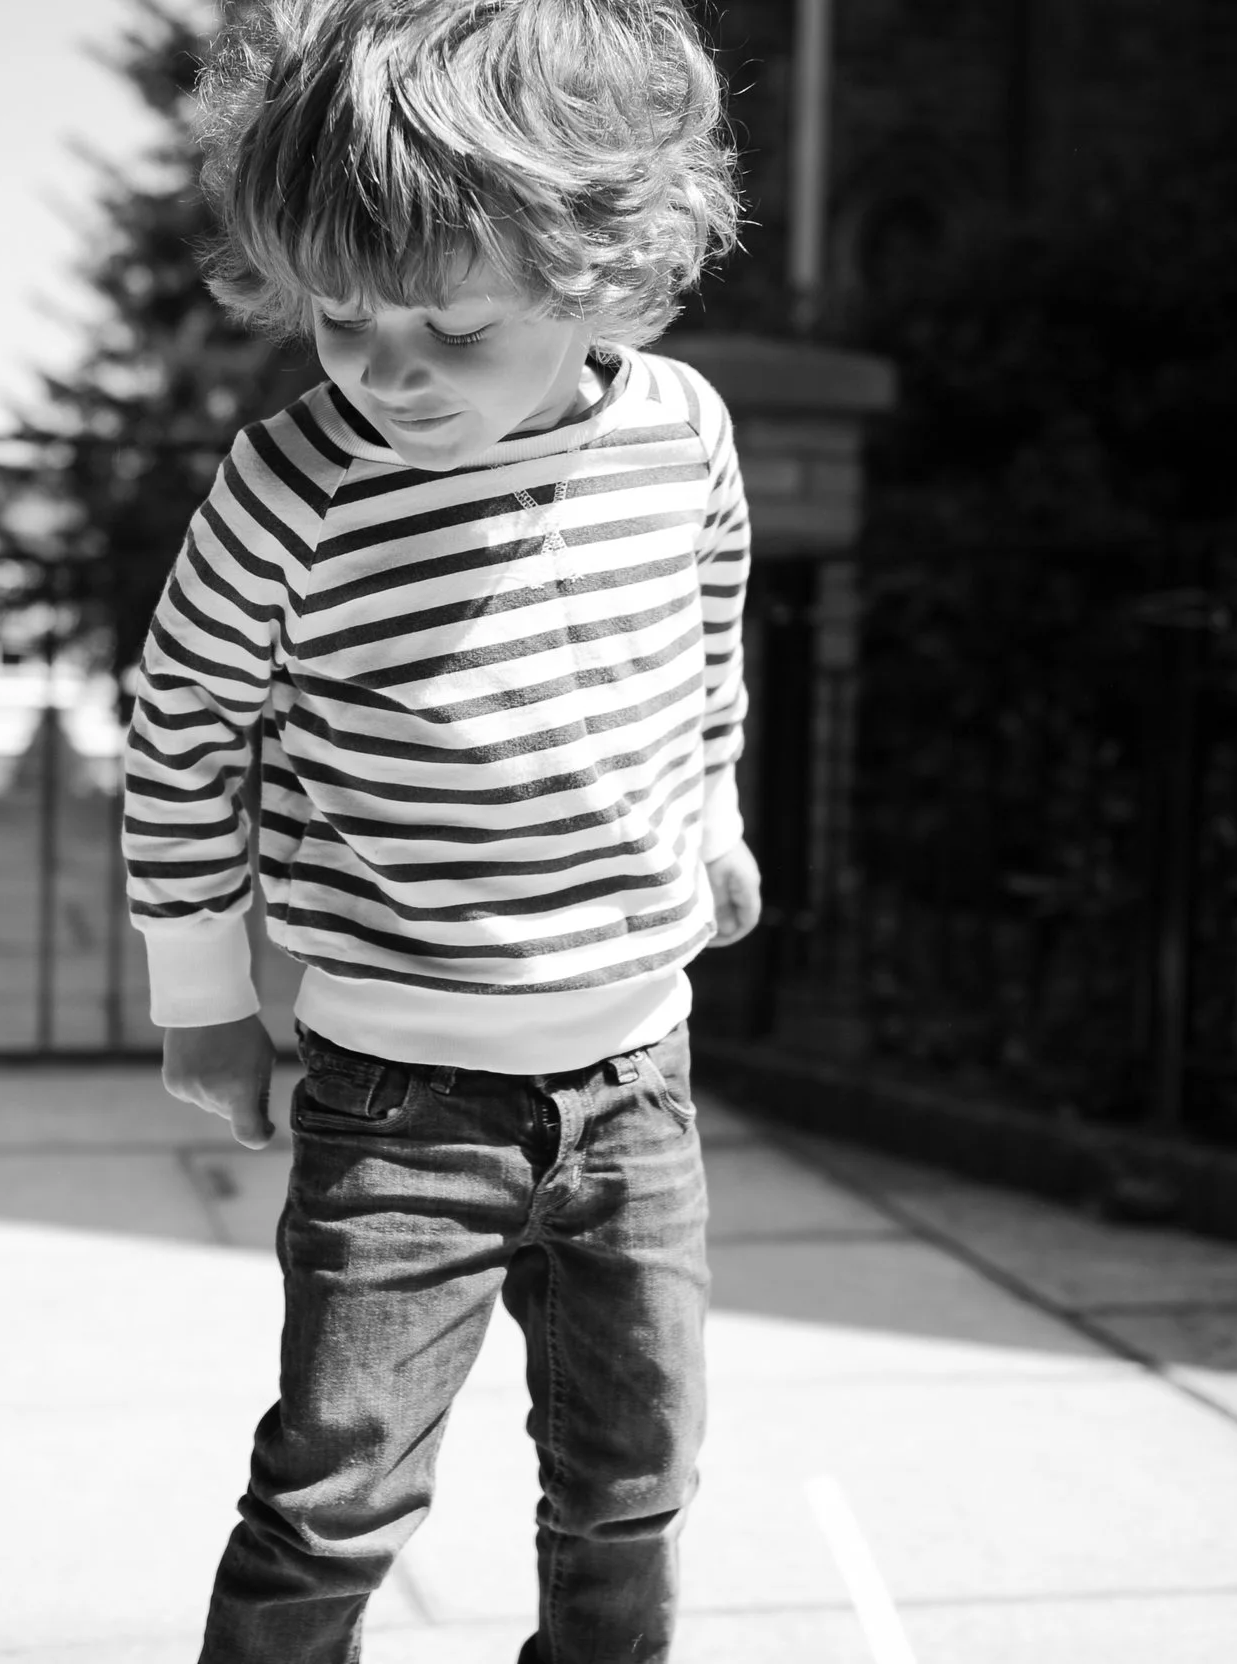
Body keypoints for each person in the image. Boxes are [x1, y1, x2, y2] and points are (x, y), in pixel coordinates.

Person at [122, 0, 757, 1656]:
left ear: (601, 270)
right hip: (402, 1100)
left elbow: (707, 624)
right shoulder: (293, 490)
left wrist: (714, 807)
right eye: (342, 318)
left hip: (638, 1083)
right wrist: (199, 986)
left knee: (634, 1476)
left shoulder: (684, 435)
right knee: (336, 1496)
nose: (388, 369)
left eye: (452, 329)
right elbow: (184, 725)